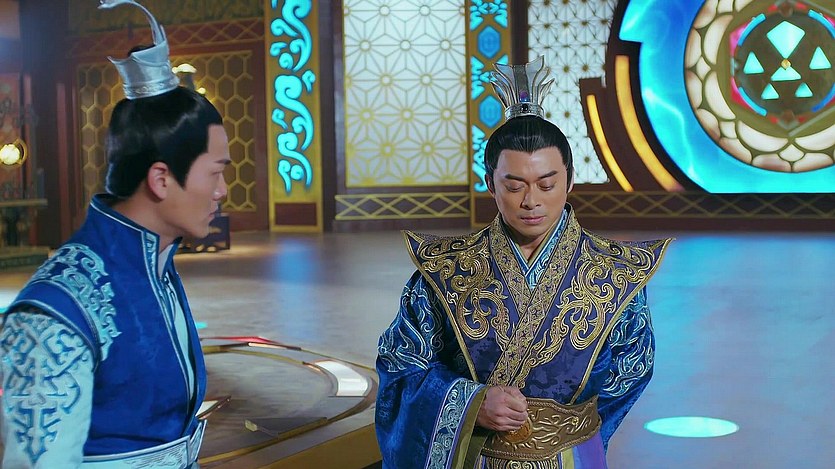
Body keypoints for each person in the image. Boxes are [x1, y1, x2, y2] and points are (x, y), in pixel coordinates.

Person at [375, 56, 672, 468]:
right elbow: (401, 366)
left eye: (547, 184)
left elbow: (631, 369)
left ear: (569, 180)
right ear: (490, 184)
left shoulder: (616, 272)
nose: (531, 201)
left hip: (571, 457)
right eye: (514, 186)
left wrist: (569, 430)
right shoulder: (444, 270)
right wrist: (469, 405)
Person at [0, 1, 229, 467]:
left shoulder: (155, 269)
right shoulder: (56, 310)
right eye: (215, 172)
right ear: (161, 179)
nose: (223, 191)